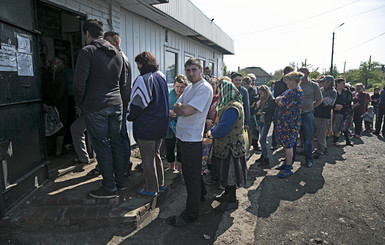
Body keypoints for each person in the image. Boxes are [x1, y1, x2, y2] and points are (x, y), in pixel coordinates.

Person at [73, 19, 128, 199]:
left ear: (87, 33)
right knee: (116, 143)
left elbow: (79, 85)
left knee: (102, 146)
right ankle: (120, 182)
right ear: (102, 33)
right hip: (116, 104)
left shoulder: (87, 51)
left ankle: (109, 187)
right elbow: (123, 84)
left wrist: (79, 104)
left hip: (96, 106)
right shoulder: (118, 54)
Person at [167, 58, 213, 227]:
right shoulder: (190, 87)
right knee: (193, 173)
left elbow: (183, 110)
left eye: (194, 69)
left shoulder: (204, 88)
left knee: (190, 177)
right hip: (183, 137)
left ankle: (191, 215)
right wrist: (180, 108)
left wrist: (180, 108)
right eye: (188, 70)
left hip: (191, 140)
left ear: (201, 69)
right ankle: (201, 195)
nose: (191, 73)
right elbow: (177, 106)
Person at [127, 52, 169, 196]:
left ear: (142, 64)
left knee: (147, 159)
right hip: (161, 125)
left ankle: (151, 188)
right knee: (156, 155)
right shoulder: (161, 76)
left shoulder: (144, 79)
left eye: (138, 63)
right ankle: (160, 184)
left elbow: (138, 104)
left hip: (147, 126)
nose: (138, 67)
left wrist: (130, 116)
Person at [208, 79, 247, 211]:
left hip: (230, 147)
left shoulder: (232, 107)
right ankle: (227, 195)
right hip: (229, 146)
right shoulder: (230, 104)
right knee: (227, 173)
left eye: (219, 90)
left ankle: (232, 200)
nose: (218, 93)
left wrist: (212, 132)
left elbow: (223, 128)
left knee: (230, 174)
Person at [104, 31, 133, 176]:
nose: (105, 45)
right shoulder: (121, 57)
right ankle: (124, 165)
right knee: (121, 136)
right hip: (121, 103)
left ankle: (125, 167)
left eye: (107, 42)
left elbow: (122, 85)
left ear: (116, 43)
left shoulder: (119, 58)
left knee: (120, 137)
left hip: (120, 104)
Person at [274, 71, 304, 178]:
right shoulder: (290, 91)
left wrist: (279, 100)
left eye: (288, 80)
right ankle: (286, 163)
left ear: (293, 81)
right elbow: (277, 98)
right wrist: (279, 99)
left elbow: (281, 102)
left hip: (290, 123)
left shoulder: (295, 92)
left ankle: (288, 167)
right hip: (285, 122)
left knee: (288, 145)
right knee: (286, 145)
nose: (286, 82)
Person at [42, 57, 69, 157]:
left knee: (60, 127)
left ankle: (58, 150)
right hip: (51, 105)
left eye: (58, 62)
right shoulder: (47, 76)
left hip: (58, 105)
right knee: (51, 128)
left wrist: (51, 104)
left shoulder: (61, 76)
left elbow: (60, 92)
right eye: (54, 61)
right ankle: (53, 150)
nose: (55, 64)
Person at [297, 67, 323, 168]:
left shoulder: (314, 85)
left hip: (307, 114)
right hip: (296, 115)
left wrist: (311, 107)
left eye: (304, 72)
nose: (302, 74)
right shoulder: (296, 85)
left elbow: (319, 100)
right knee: (294, 137)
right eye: (300, 72)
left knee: (308, 138)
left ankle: (308, 159)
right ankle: (290, 159)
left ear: (308, 73)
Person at [165, 74, 188, 171]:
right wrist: (168, 111)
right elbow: (161, 106)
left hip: (182, 125)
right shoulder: (168, 93)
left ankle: (179, 168)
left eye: (182, 87)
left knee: (180, 147)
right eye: (177, 86)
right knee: (169, 146)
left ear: (186, 87)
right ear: (174, 85)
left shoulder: (187, 96)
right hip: (169, 125)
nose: (179, 89)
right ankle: (171, 167)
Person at [313, 75, 337, 159]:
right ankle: (317, 149)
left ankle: (320, 151)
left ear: (329, 82)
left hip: (324, 117)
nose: (322, 83)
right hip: (316, 114)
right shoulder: (322, 90)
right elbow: (316, 99)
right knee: (315, 134)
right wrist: (319, 101)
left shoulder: (333, 92)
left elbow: (327, 103)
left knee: (321, 135)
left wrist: (318, 101)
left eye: (324, 81)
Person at [271, 66, 294, 150]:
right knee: (276, 126)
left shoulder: (293, 84)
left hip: (289, 109)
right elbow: (277, 96)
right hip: (279, 108)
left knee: (286, 127)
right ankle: (274, 143)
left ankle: (283, 144)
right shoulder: (278, 83)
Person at [255, 85, 276, 166]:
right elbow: (256, 109)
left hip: (266, 121)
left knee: (262, 140)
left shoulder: (271, 100)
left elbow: (270, 110)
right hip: (260, 120)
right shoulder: (260, 99)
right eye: (260, 93)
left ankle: (266, 159)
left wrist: (262, 111)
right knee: (262, 139)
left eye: (262, 93)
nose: (261, 95)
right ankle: (263, 156)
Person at [332, 76, 353, 146]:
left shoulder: (346, 92)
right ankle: (334, 140)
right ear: (337, 83)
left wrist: (342, 106)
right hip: (334, 111)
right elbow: (330, 100)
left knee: (343, 126)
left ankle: (346, 140)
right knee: (334, 126)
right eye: (342, 83)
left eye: (344, 83)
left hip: (344, 111)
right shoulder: (332, 91)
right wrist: (334, 106)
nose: (344, 85)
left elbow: (349, 101)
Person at [242, 76, 259, 158]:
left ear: (250, 83)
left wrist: (248, 106)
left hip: (250, 114)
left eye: (247, 84)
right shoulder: (242, 90)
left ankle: (248, 151)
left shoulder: (252, 90)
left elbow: (252, 103)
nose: (246, 85)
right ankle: (245, 149)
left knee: (249, 133)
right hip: (244, 113)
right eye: (244, 84)